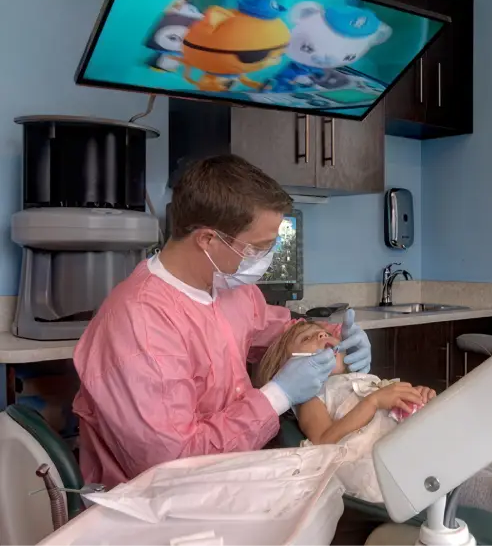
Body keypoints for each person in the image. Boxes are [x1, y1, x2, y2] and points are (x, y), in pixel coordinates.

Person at [73, 155, 372, 488]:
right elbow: (171, 465)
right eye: (259, 247)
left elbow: (279, 334)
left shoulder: (229, 287)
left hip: (232, 473)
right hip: (160, 503)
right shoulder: (140, 324)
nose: (266, 258)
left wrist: (334, 339)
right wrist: (277, 395)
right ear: (207, 239)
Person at [258, 319, 435, 503]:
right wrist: (373, 402)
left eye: (326, 334)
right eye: (306, 338)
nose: (321, 335)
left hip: (414, 452)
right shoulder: (309, 396)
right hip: (381, 471)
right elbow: (323, 440)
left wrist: (417, 398)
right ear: (288, 368)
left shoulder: (359, 379)